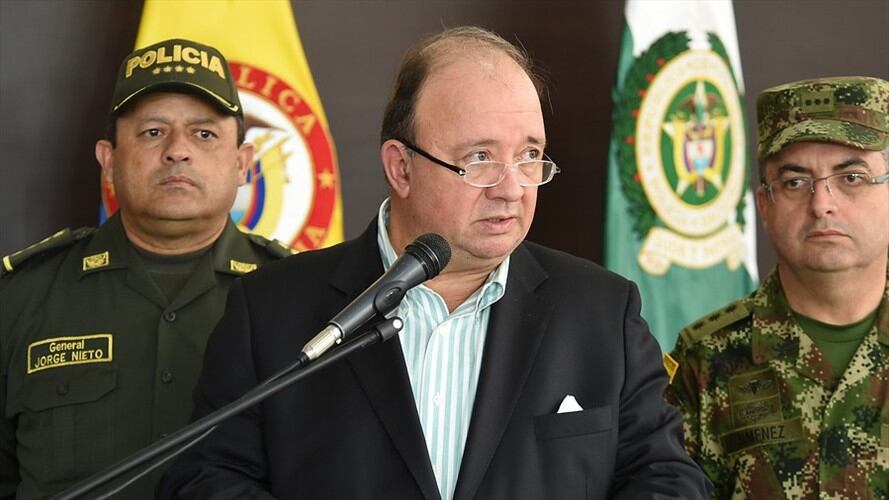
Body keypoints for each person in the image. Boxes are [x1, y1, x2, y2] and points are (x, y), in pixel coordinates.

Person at [158, 26, 709, 500]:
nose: (513, 188)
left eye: (530, 155)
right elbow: (206, 478)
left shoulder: (601, 313)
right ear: (400, 168)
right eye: (479, 159)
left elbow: (666, 478)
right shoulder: (274, 310)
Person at [0, 38, 292, 499]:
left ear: (243, 164)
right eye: (153, 132)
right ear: (109, 161)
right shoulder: (20, 296)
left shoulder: (297, 295)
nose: (178, 151)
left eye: (204, 134)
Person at [665, 76, 889, 499]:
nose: (822, 203)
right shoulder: (705, 361)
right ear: (765, 206)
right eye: (795, 181)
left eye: (852, 178)